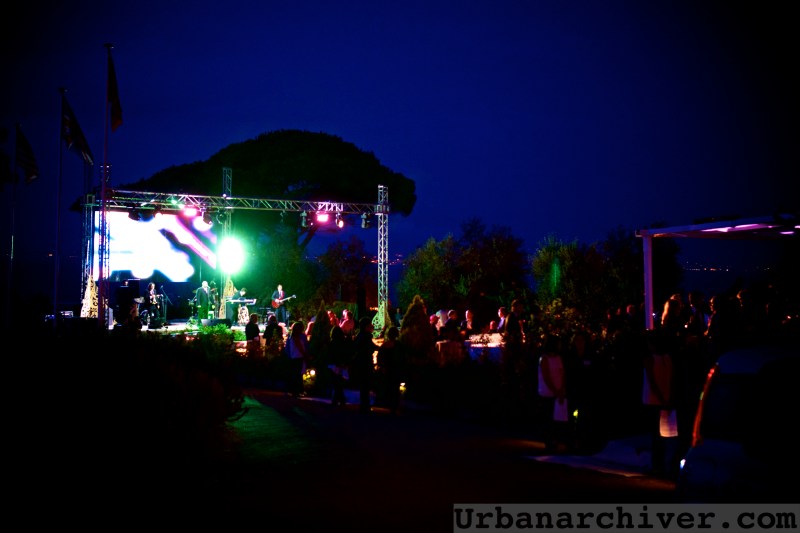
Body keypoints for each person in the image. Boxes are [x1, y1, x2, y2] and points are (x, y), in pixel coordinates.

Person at [352, 316, 378, 414]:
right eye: (370, 324)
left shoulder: (360, 335)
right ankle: (365, 406)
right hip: (365, 363)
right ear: (366, 326)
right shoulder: (366, 336)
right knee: (365, 385)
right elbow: (369, 348)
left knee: (363, 385)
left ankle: (364, 405)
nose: (372, 326)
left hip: (360, 363)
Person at [377, 326, 404, 415]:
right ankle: (395, 406)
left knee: (389, 386)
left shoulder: (384, 345)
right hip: (395, 369)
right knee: (395, 388)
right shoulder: (399, 345)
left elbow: (379, 357)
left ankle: (389, 405)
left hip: (387, 369)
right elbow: (401, 358)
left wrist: (381, 366)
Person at [326, 325, 351, 407]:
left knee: (336, 383)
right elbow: (345, 354)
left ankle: (337, 400)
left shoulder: (331, 343)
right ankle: (340, 400)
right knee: (339, 383)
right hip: (340, 364)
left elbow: (330, 354)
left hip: (333, 365)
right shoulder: (343, 342)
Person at [284, 321, 310, 397]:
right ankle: (297, 391)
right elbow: (303, 346)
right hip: (299, 357)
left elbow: (287, 348)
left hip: (292, 357)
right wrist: (306, 355)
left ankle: (292, 390)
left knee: (294, 374)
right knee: (298, 375)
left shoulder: (290, 336)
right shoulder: (301, 336)